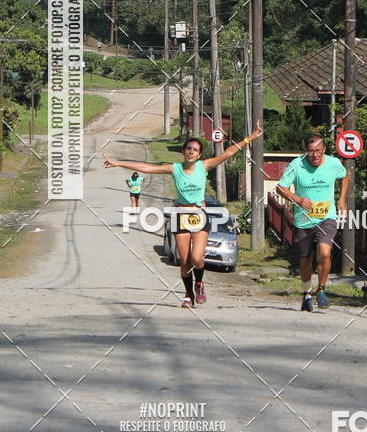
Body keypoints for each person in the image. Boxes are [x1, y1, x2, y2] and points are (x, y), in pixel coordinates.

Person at [103, 121, 263, 308]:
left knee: (197, 258)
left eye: (195, 149)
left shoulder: (204, 166)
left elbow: (228, 153)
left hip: (198, 214)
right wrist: (118, 163)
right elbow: (146, 167)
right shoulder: (175, 168)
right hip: (181, 214)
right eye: (188, 148)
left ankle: (200, 284)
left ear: (199, 154)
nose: (191, 152)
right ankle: (188, 294)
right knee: (185, 260)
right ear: (184, 151)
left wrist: (249, 138)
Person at [275, 132, 348, 312]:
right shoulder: (297, 165)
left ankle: (321, 290)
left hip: (326, 217)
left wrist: (341, 200)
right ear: (306, 151)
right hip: (304, 220)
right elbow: (280, 187)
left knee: (325, 252)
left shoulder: (333, 163)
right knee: (304, 261)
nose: (315, 155)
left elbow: (345, 177)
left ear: (324, 150)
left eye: (318, 151)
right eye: (311, 151)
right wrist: (297, 199)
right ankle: (307, 293)